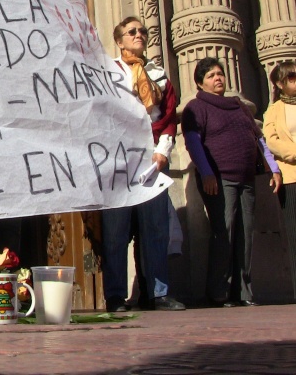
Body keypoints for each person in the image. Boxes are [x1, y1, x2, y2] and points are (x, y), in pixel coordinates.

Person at [101, 16, 185, 312]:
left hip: (151, 160)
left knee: (155, 228)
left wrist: (163, 151)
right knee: (115, 231)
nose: (139, 35)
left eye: (142, 31)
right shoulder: (107, 72)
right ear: (119, 40)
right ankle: (115, 295)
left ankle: (157, 293)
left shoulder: (158, 74)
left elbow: (168, 116)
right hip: (118, 161)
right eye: (131, 31)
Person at [182, 57, 281, 307]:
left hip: (246, 178)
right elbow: (193, 142)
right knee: (224, 233)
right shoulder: (196, 107)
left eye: (220, 74)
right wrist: (206, 173)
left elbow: (259, 139)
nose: (218, 78)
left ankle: (244, 292)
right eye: (211, 76)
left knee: (245, 234)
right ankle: (219, 292)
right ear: (200, 83)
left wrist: (274, 167)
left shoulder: (239, 106)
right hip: (218, 180)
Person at [263, 61, 296, 300]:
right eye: (291, 77)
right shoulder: (274, 110)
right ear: (279, 83)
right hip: (291, 176)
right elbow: (271, 141)